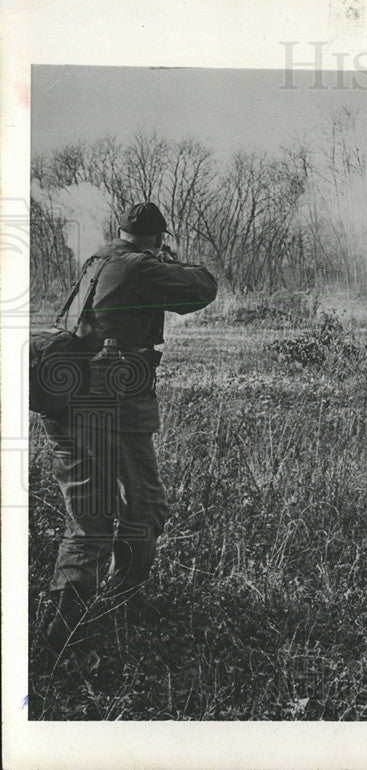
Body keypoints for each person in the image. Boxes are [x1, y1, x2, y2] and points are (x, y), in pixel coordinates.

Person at [41, 202, 218, 648]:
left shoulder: (98, 259)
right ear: (158, 237)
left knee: (88, 521)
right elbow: (203, 289)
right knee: (146, 509)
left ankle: (59, 638)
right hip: (113, 406)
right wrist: (169, 261)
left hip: (65, 401)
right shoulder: (143, 265)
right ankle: (124, 605)